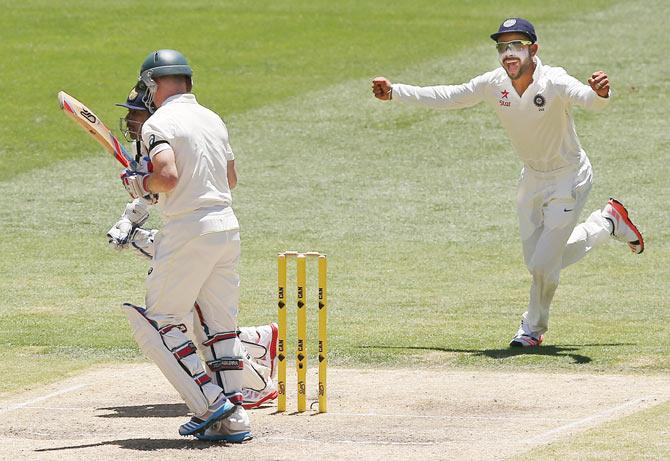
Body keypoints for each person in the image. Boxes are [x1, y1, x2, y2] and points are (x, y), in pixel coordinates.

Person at [372, 18, 644, 347]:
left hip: (568, 177)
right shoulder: (494, 84)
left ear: (533, 49)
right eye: (502, 47)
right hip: (531, 177)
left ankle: (532, 329)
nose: (508, 53)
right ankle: (606, 223)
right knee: (538, 262)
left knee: (544, 265)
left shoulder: (553, 79)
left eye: (516, 45)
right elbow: (449, 95)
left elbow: (586, 98)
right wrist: (395, 93)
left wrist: (601, 93)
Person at [108, 84, 279, 413]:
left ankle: (249, 382)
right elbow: (158, 192)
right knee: (202, 320)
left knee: (175, 321)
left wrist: (138, 190)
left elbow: (166, 183)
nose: (129, 119)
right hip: (214, 230)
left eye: (134, 112)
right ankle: (256, 348)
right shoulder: (176, 131)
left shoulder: (164, 132)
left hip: (193, 231)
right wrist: (132, 216)